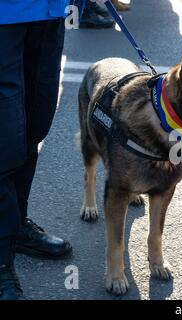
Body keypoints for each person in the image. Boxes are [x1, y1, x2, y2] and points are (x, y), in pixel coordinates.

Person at [0, 1, 73, 300]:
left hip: (51, 9)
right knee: (4, 138)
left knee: (33, 122)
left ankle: (16, 226)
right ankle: (1, 257)